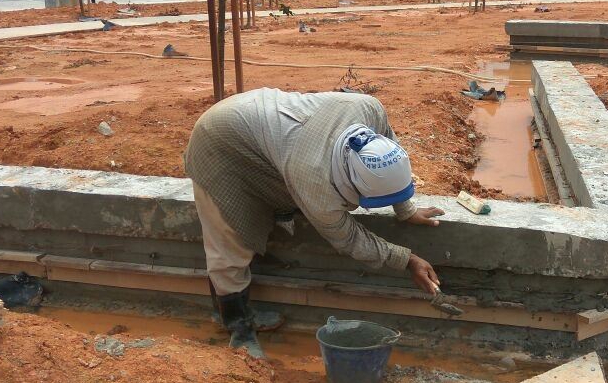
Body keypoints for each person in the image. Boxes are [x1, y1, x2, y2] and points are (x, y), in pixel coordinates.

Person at [184, 88, 445, 359]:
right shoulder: (315, 183)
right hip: (218, 143)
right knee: (230, 240)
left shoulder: (369, 109)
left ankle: (237, 314)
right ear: (351, 181)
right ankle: (238, 327)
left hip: (257, 121)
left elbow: (389, 145)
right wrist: (407, 260)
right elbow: (350, 238)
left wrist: (406, 210)